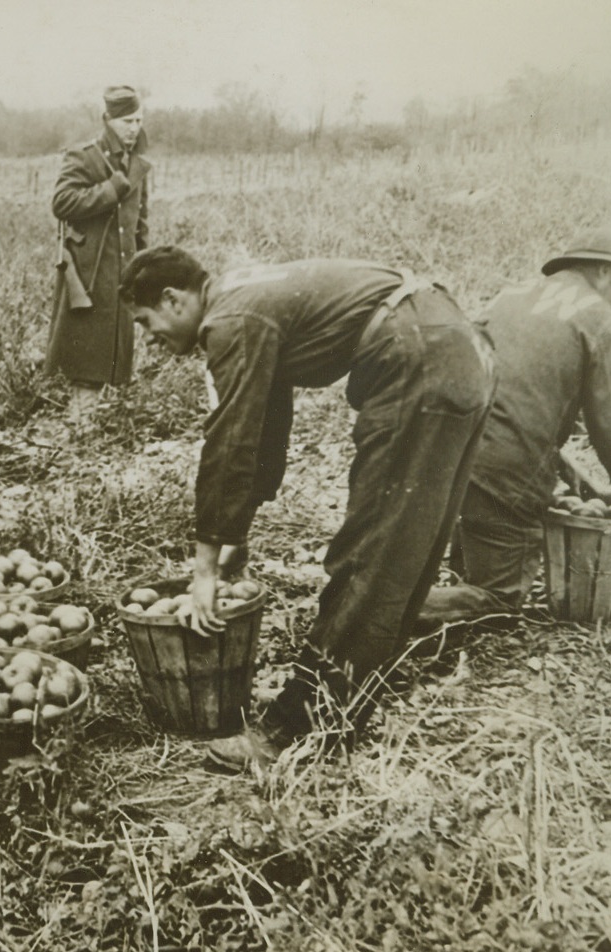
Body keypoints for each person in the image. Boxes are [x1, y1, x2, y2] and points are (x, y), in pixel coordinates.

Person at [119, 247, 496, 770]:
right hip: (457, 345)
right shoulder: (242, 298)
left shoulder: (229, 321)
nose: (150, 338)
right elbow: (264, 430)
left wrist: (203, 569)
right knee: (411, 540)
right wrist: (238, 535)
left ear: (172, 299)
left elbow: (228, 441)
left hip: (418, 354)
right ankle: (361, 682)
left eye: (145, 322)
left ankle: (298, 729)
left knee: (373, 549)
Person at [418, 225, 611, 626]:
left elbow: (512, 390)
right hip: (506, 465)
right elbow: (606, 425)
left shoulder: (511, 295)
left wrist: (563, 470)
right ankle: (382, 611)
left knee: (477, 552)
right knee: (499, 596)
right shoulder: (601, 317)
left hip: (450, 444)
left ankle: (406, 599)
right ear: (604, 272)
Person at [45, 85, 151, 420]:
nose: (133, 128)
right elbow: (62, 203)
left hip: (121, 272)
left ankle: (92, 429)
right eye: (126, 121)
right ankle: (80, 430)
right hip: (89, 274)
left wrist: (144, 264)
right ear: (108, 120)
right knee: (87, 361)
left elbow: (139, 221)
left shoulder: (138, 164)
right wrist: (112, 188)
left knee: (112, 356)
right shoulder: (84, 156)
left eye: (138, 120)